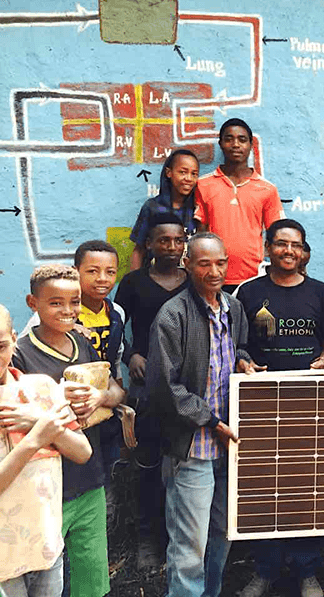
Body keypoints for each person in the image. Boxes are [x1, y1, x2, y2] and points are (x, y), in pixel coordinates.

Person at [146, 232, 260, 597]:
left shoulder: (233, 308)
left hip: (229, 447)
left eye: (220, 262)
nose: (214, 271)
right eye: (204, 263)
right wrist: (212, 421)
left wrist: (242, 357)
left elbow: (238, 345)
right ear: (187, 265)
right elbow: (165, 389)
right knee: (189, 546)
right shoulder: (172, 315)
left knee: (222, 534)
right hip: (193, 447)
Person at [236, 219, 324, 597]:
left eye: (295, 245)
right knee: (264, 488)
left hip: (308, 405)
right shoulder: (247, 293)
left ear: (304, 251)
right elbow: (235, 346)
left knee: (306, 487)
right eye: (281, 244)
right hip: (260, 406)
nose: (288, 251)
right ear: (268, 248)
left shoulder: (318, 293)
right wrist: (244, 362)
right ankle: (264, 569)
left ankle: (307, 570)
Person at [12, 264, 127, 597]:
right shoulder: (19, 355)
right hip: (45, 487)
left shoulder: (82, 343)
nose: (67, 311)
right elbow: (18, 421)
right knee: (46, 579)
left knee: (91, 578)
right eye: (55, 303)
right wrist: (58, 400)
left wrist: (101, 397)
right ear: (33, 303)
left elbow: (116, 395)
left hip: (89, 479)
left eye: (74, 302)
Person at [0, 303, 92, 597]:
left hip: (45, 545)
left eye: (0, 345)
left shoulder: (41, 388)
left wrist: (40, 420)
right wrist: (36, 438)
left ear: (14, 339)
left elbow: (82, 451)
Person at [114, 213, 189, 569]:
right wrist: (131, 356)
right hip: (147, 389)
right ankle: (147, 539)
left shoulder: (194, 282)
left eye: (177, 240)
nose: (172, 247)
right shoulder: (133, 283)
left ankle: (181, 538)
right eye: (164, 241)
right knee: (148, 465)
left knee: (186, 466)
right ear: (150, 244)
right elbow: (117, 331)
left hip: (189, 387)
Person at [195, 118, 285, 292]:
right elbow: (201, 233)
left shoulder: (267, 189)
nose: (235, 144)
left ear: (251, 145)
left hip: (254, 278)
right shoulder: (203, 185)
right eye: (229, 139)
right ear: (220, 144)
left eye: (242, 140)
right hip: (213, 277)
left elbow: (277, 235)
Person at [233, 241, 324, 310]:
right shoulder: (248, 290)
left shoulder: (312, 289)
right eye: (299, 266)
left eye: (305, 265)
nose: (303, 271)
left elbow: (322, 301)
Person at [129, 149, 201, 270]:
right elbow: (139, 250)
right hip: (154, 279)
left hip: (188, 280)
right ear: (169, 172)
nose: (189, 178)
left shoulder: (197, 209)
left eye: (194, 174)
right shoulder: (152, 207)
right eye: (183, 172)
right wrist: (131, 283)